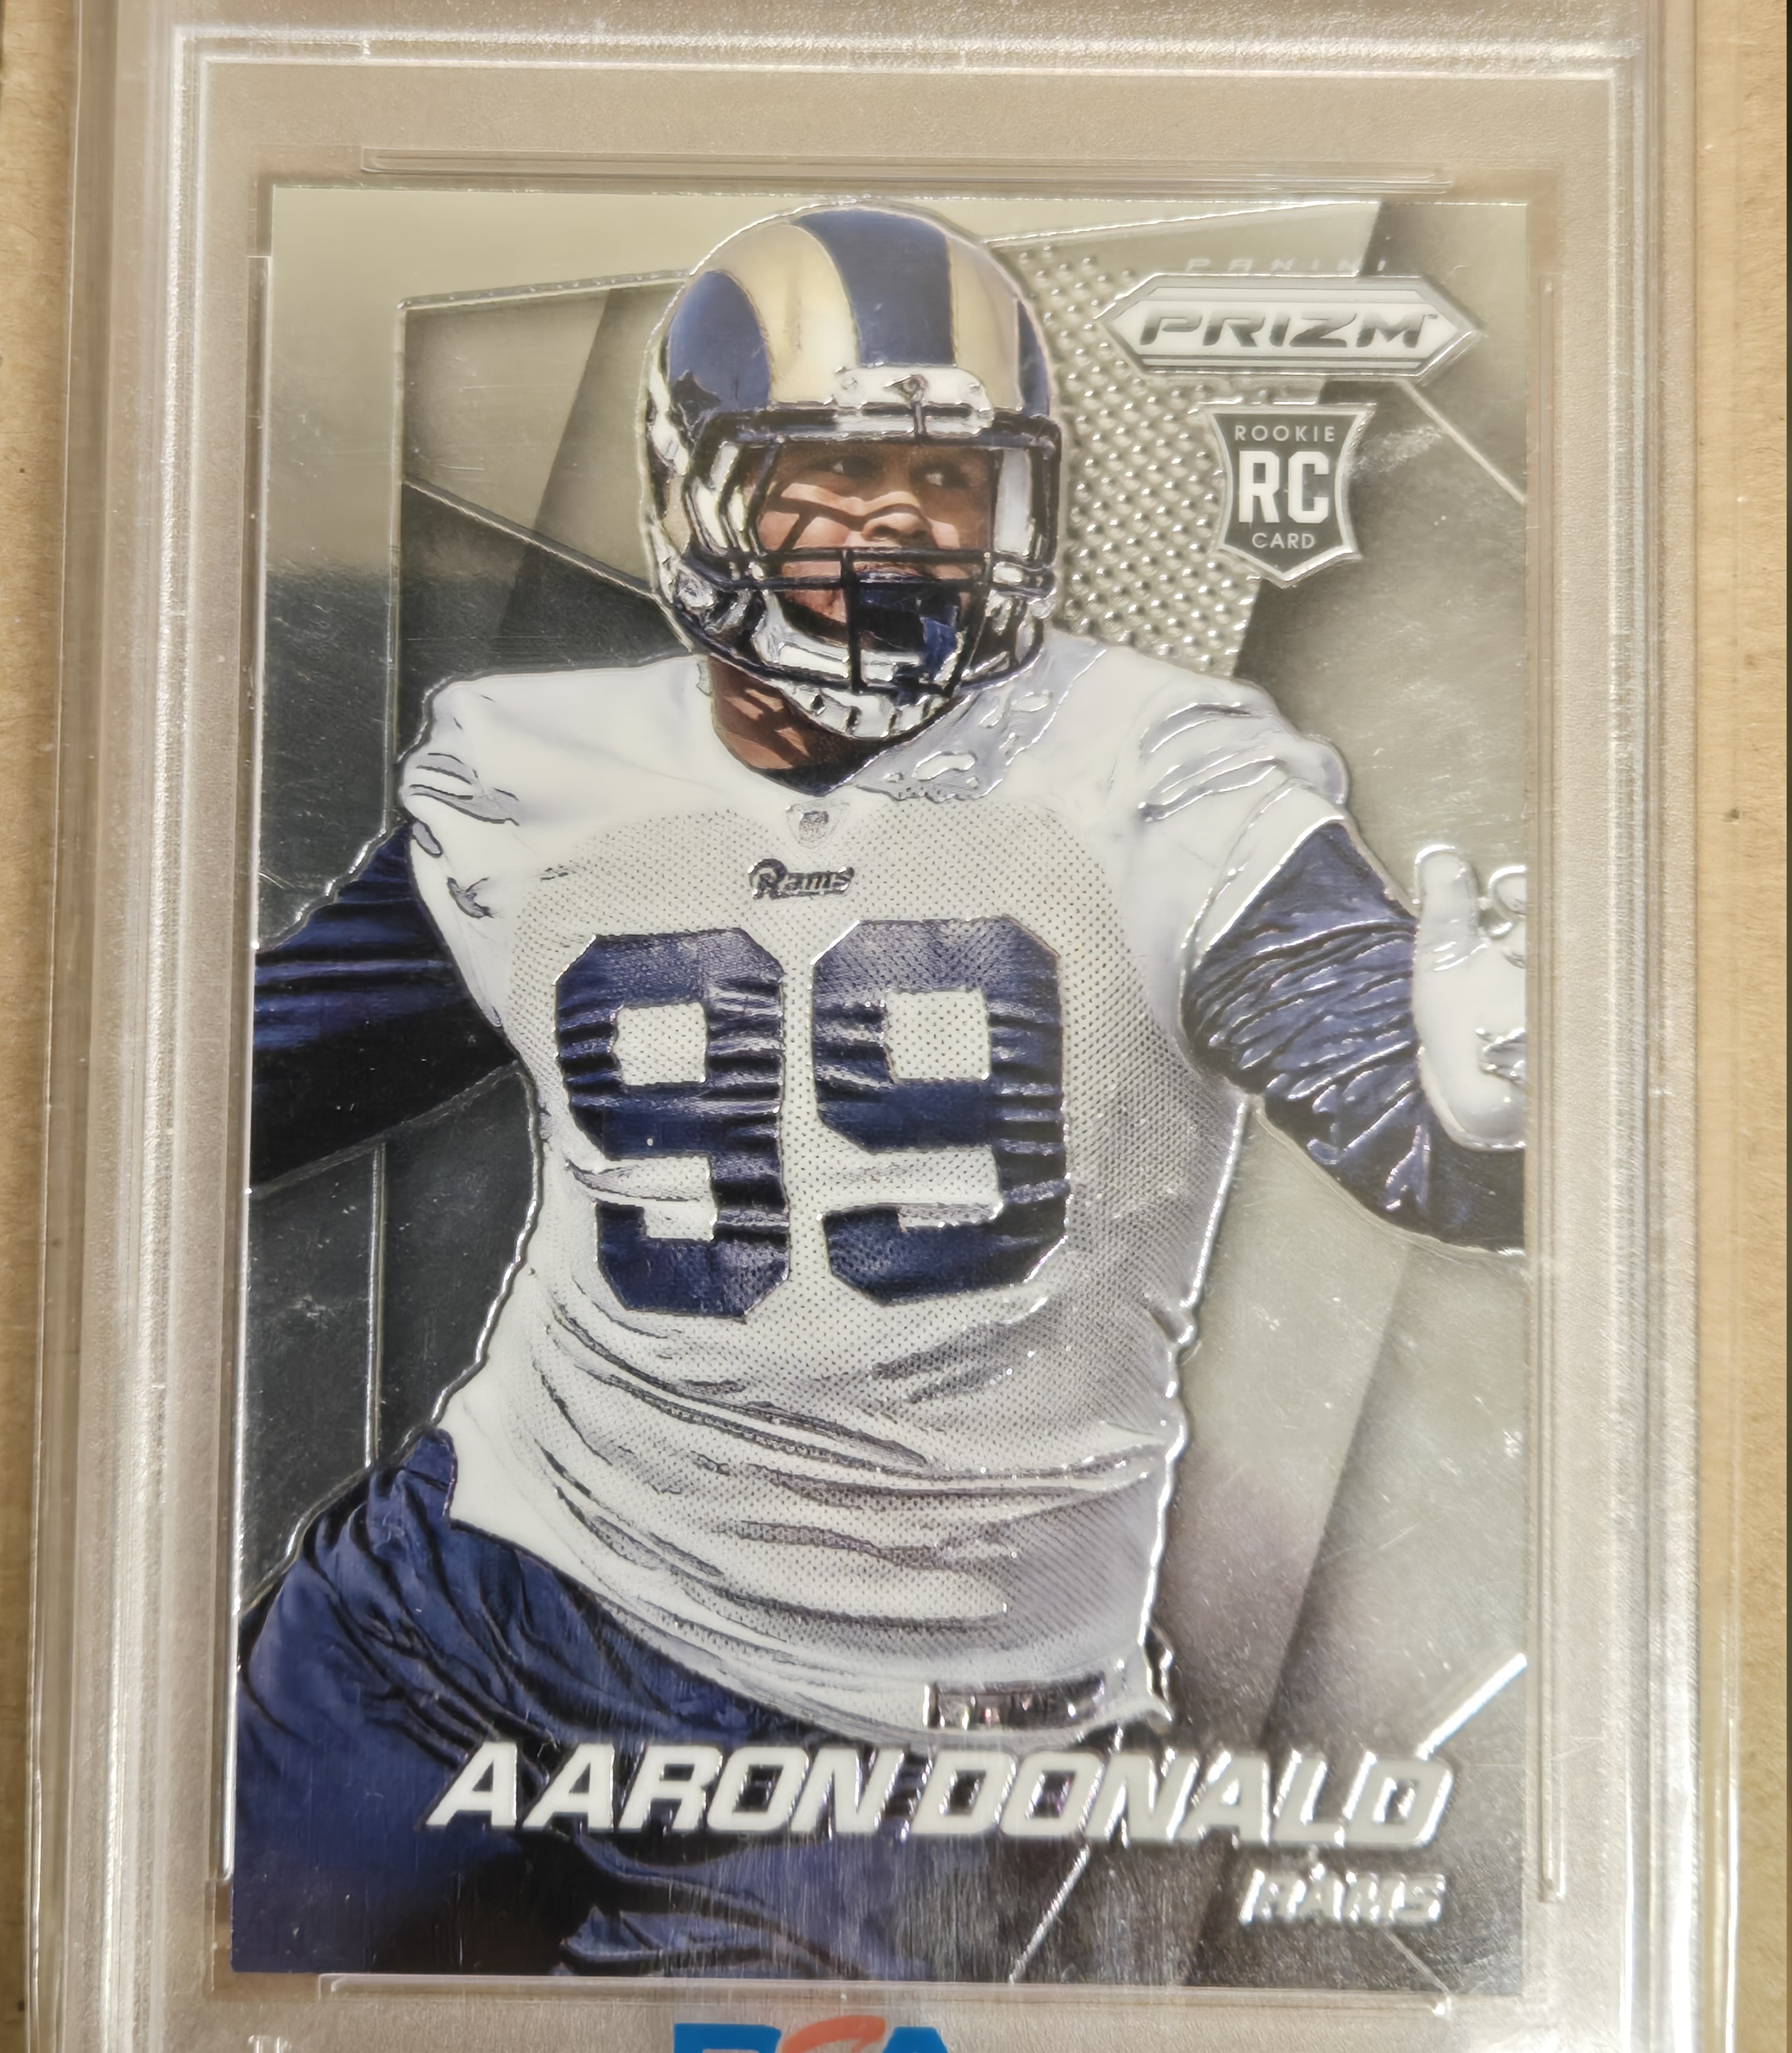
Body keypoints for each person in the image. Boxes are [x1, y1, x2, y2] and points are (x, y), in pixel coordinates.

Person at [235, 205, 1525, 1978]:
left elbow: (1397, 1091)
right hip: (477, 1591)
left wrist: (1485, 1110)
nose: (903, 525)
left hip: (892, 1742)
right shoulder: (540, 778)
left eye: (949, 477)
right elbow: (236, 1087)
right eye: (836, 474)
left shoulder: (1171, 786)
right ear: (699, 487)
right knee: (197, 1988)